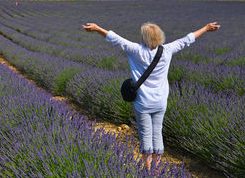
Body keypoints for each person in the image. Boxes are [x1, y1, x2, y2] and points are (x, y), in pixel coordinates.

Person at [82, 21, 220, 171]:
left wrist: (96, 29)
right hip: (160, 102)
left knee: (145, 135)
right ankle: (156, 168)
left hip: (142, 103)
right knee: (157, 132)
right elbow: (187, 39)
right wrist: (206, 28)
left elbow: (114, 38)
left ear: (145, 38)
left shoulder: (135, 50)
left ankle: (148, 170)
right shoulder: (167, 50)